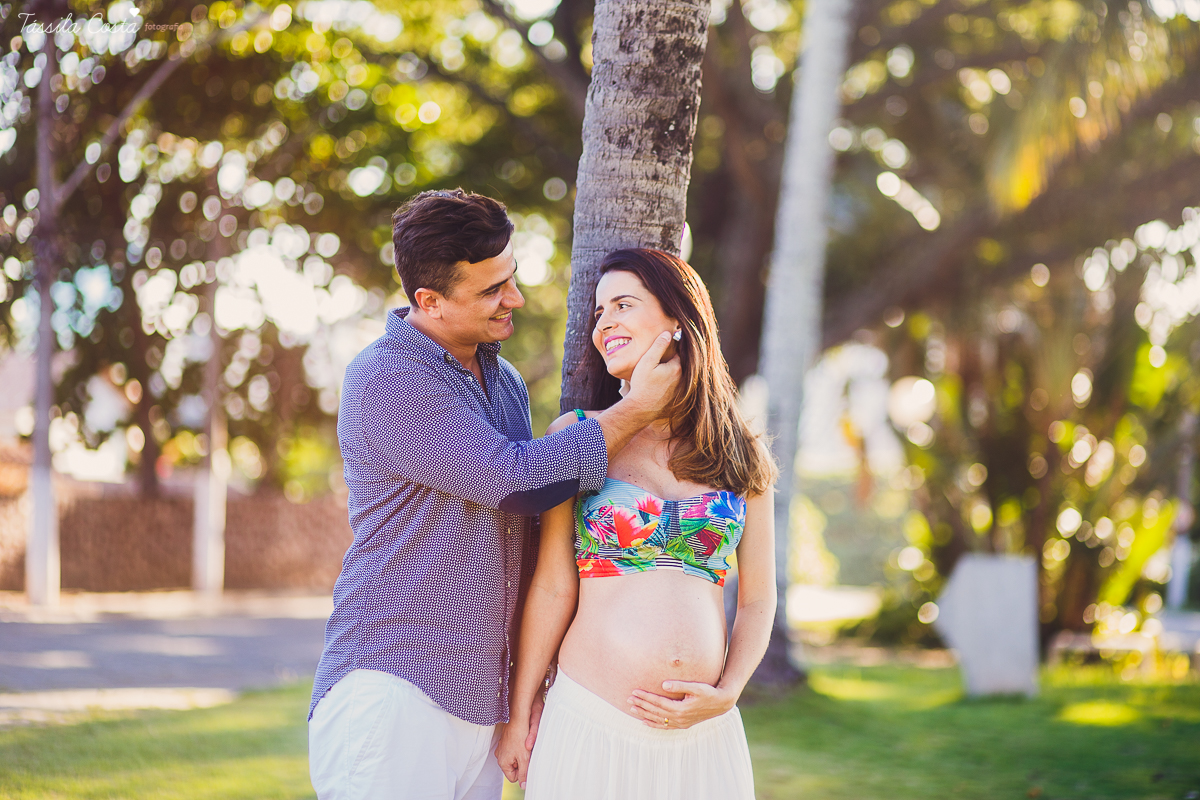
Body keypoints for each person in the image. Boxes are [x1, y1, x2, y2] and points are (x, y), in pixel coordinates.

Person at [307, 190, 680, 800]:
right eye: (490, 291)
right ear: (429, 301)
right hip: (397, 685)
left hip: (480, 701)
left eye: (511, 277)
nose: (515, 299)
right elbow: (511, 484)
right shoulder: (387, 375)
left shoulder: (502, 378)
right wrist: (636, 410)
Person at [496, 248, 778, 799]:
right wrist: (521, 708)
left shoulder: (739, 450)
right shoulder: (576, 435)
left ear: (678, 318)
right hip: (590, 719)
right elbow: (553, 586)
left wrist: (730, 692)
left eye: (623, 305)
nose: (606, 325)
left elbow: (758, 600)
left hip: (705, 736)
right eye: (600, 313)